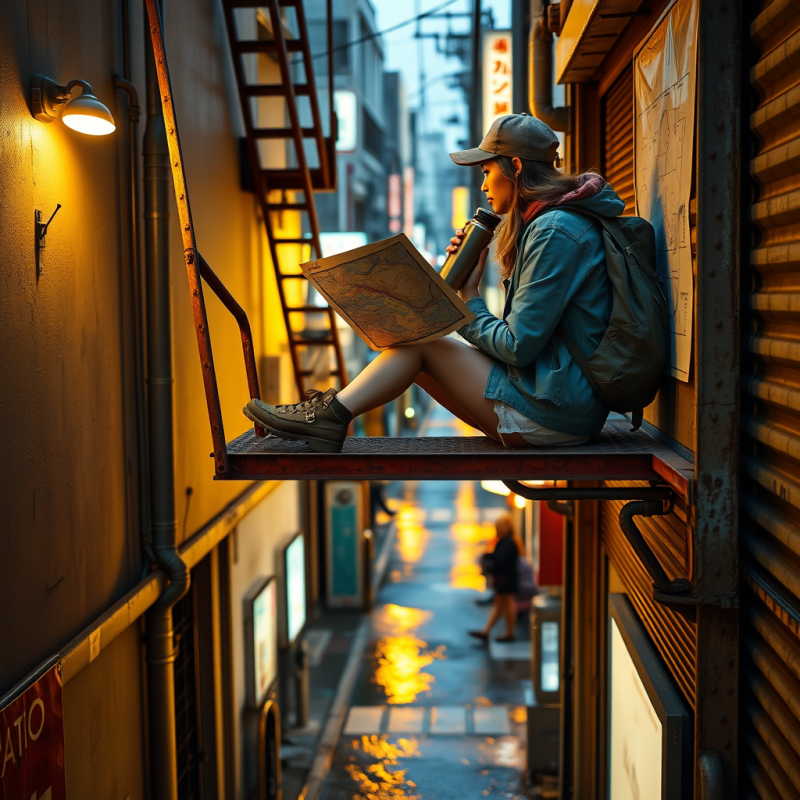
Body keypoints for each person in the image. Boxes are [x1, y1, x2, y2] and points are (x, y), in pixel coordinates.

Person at [243, 113, 623, 453]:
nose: (484, 186)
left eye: (487, 171)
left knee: (421, 349)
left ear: (517, 166)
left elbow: (518, 346)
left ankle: (328, 417)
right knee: (415, 347)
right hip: (557, 399)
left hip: (555, 410)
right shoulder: (551, 225)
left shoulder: (553, 231)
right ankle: (329, 415)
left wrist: (469, 296)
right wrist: (457, 283)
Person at [470, 514, 521, 642]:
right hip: (507, 578)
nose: (497, 529)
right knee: (504, 605)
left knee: (502, 605)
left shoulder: (508, 542)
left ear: (507, 527)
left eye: (499, 527)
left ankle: (491, 631)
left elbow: (501, 560)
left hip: (505, 579)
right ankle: (501, 632)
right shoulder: (508, 541)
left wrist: (490, 565)